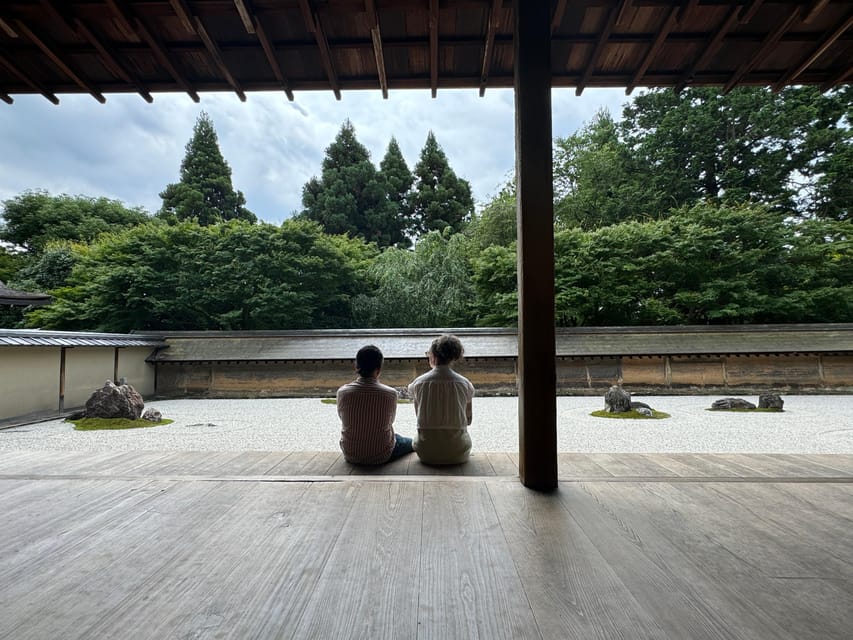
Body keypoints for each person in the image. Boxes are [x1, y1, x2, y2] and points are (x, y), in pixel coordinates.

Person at [337, 344, 414, 465]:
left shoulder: (343, 392)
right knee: (411, 442)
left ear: (356, 366)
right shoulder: (390, 393)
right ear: (378, 369)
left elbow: (342, 418)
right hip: (381, 455)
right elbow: (390, 422)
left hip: (351, 453)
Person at [408, 334, 475, 464]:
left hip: (426, 452)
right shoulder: (464, 384)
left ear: (433, 355)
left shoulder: (418, 383)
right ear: (454, 357)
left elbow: (419, 417)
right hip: (458, 451)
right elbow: (468, 420)